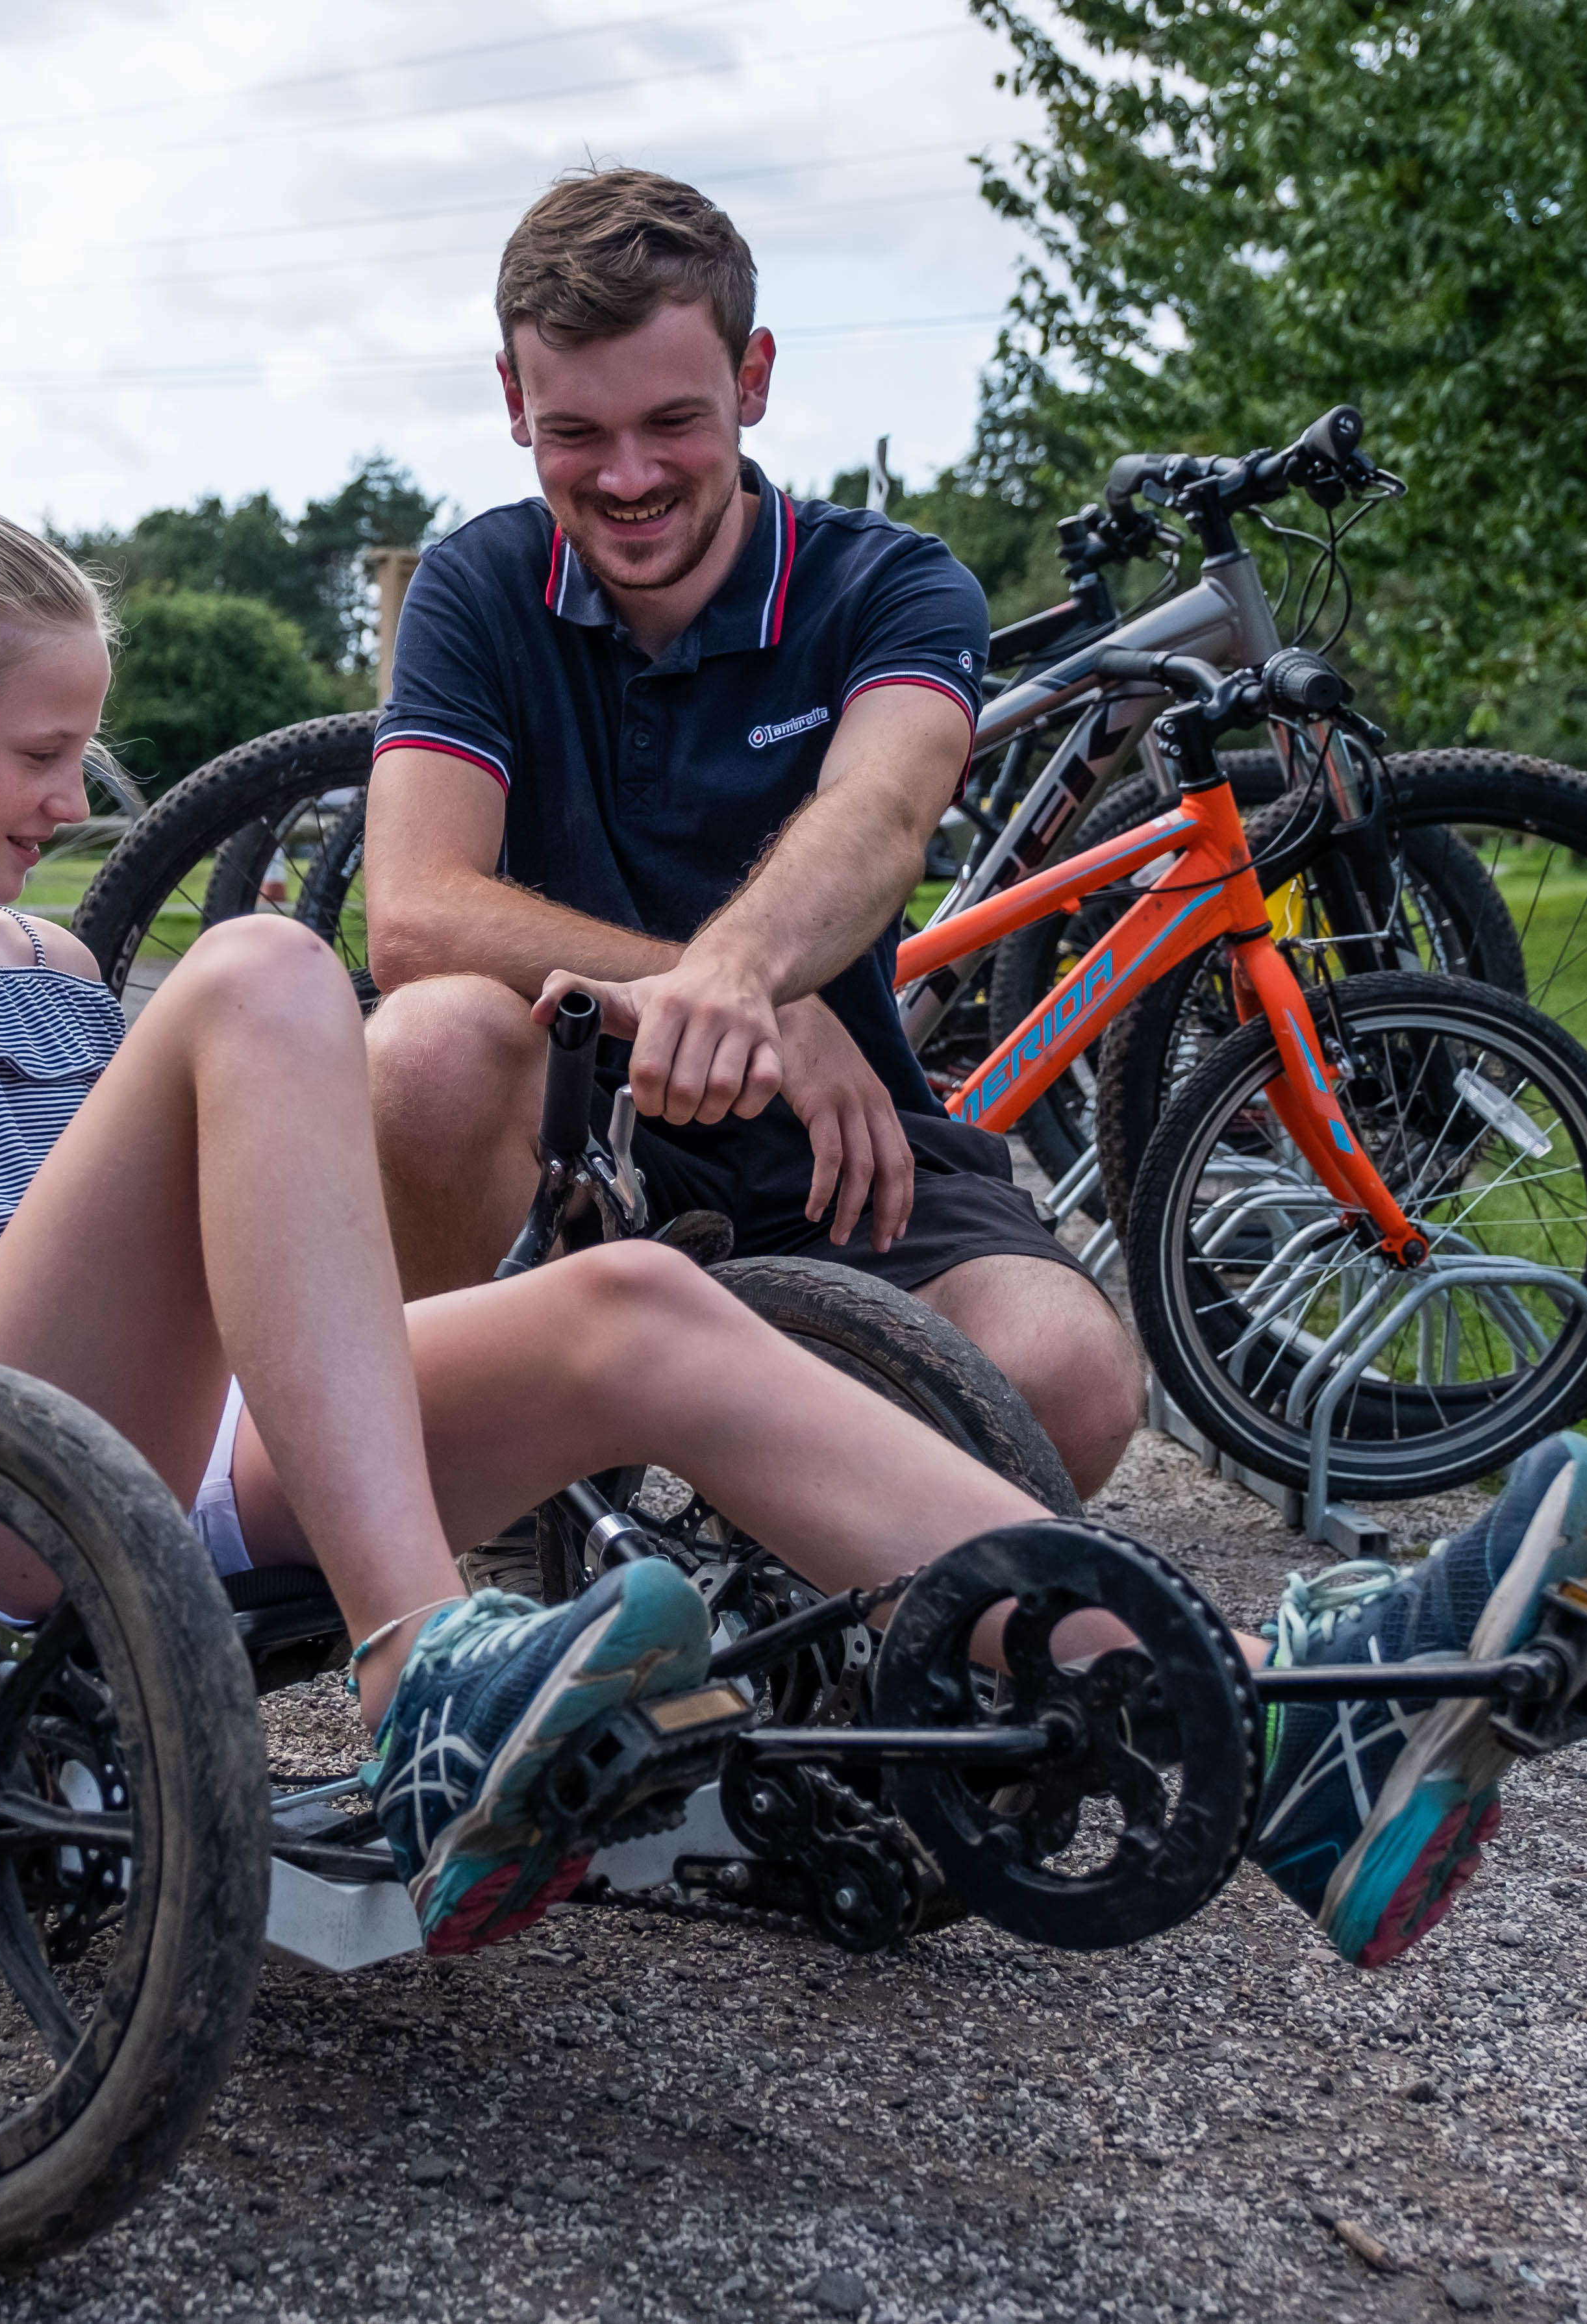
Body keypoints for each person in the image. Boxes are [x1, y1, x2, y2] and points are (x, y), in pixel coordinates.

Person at [0, 445, 1587, 1970]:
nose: (80, 800)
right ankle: (416, 1670)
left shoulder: (46, 976)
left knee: (636, 1295)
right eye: (47, 752)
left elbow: (199, 1256)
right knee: (279, 960)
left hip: (170, 1445)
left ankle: (1255, 1720)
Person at [358, 169, 1143, 1527]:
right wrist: (730, 992)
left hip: (836, 1156)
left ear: (755, 374)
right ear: (510, 403)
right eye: (574, 433)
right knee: (420, 1046)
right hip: (566, 1142)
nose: (627, 478)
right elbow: (416, 914)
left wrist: (747, 979)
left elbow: (882, 813)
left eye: (674, 420)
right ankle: (505, 1501)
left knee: (1066, 1376)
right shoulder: (478, 587)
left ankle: (762, 1527)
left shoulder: (892, 583)